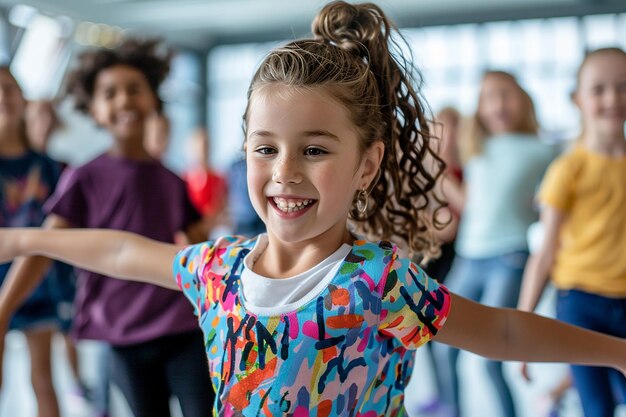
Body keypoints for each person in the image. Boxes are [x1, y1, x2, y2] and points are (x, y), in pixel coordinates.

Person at [0, 3, 625, 416]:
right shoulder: (218, 272)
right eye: (265, 148)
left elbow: (505, 330)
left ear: (366, 165)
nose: (285, 172)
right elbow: (118, 250)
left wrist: (616, 351)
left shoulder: (379, 283)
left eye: (315, 149)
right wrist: (26, 242)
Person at [0, 38, 214, 417]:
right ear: (94, 109)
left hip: (182, 328)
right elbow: (43, 248)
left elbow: (204, 251)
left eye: (135, 90)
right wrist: (3, 311)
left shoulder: (171, 180)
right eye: (109, 93)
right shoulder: (84, 178)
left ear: (152, 99)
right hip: (122, 334)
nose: (124, 101)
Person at [431, 71, 557, 417]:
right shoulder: (475, 149)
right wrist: (438, 177)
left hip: (509, 257)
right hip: (469, 258)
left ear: (524, 101)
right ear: (479, 108)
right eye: (489, 97)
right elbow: (472, 204)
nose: (498, 103)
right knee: (441, 344)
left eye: (507, 94)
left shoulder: (543, 150)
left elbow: (555, 201)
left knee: (492, 357)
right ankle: (452, 411)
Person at [517, 47, 626, 417]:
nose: (613, 98)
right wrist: (523, 321)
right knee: (598, 408)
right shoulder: (568, 170)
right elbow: (544, 252)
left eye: (623, 87)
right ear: (578, 99)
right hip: (581, 304)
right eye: (599, 89)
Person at [0, 68, 68, 417]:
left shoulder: (47, 166)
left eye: (9, 89)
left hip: (38, 285)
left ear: (22, 98)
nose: (2, 97)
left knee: (42, 377)